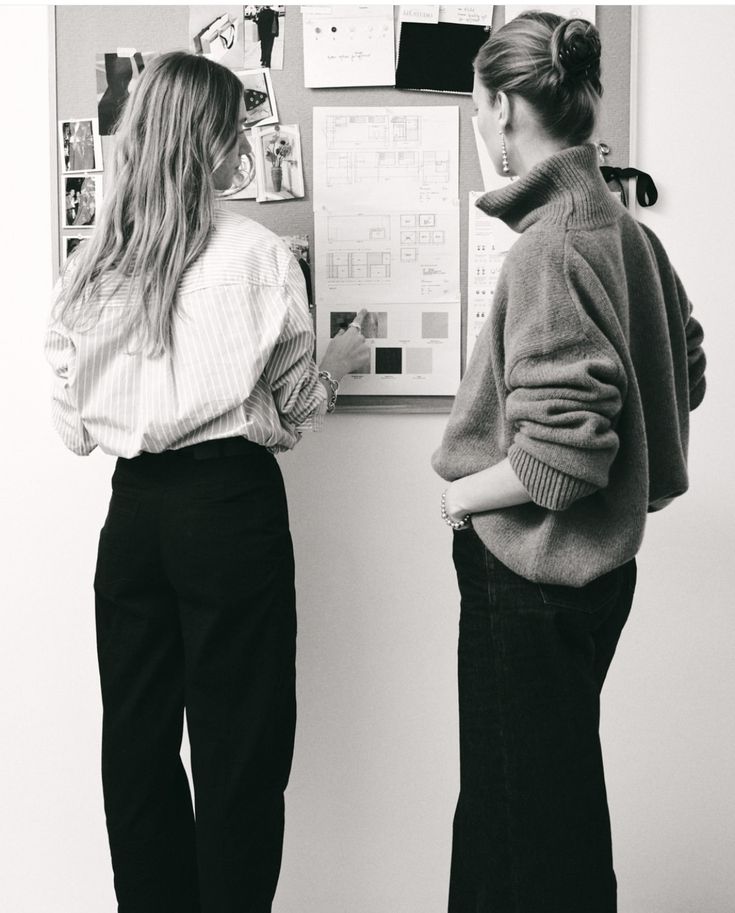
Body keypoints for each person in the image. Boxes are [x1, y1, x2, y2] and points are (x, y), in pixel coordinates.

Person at [45, 51, 368, 913]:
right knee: (241, 748)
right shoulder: (257, 255)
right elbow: (295, 410)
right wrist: (336, 363)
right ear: (205, 141)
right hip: (229, 507)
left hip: (136, 514)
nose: (249, 140)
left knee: (138, 744)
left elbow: (71, 425)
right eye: (237, 125)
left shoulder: (94, 263)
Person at [432, 13, 706, 913]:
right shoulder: (622, 230)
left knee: (532, 842)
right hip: (590, 577)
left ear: (505, 106)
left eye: (479, 107)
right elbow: (684, 365)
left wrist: (461, 499)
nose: (479, 125)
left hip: (531, 577)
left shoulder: (551, 246)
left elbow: (557, 464)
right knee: (530, 815)